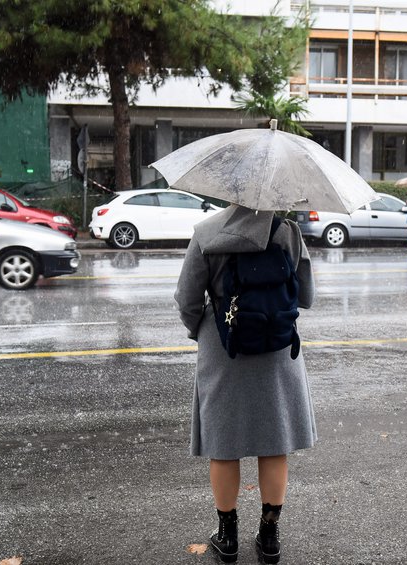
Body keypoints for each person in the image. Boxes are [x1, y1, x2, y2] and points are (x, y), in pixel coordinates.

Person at [174, 204, 317, 564]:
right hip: (276, 347)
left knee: (224, 445)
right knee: (274, 442)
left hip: (225, 348)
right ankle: (269, 537)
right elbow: (305, 296)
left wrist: (205, 330)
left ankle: (228, 536)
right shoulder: (286, 232)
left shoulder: (207, 233)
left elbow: (187, 299)